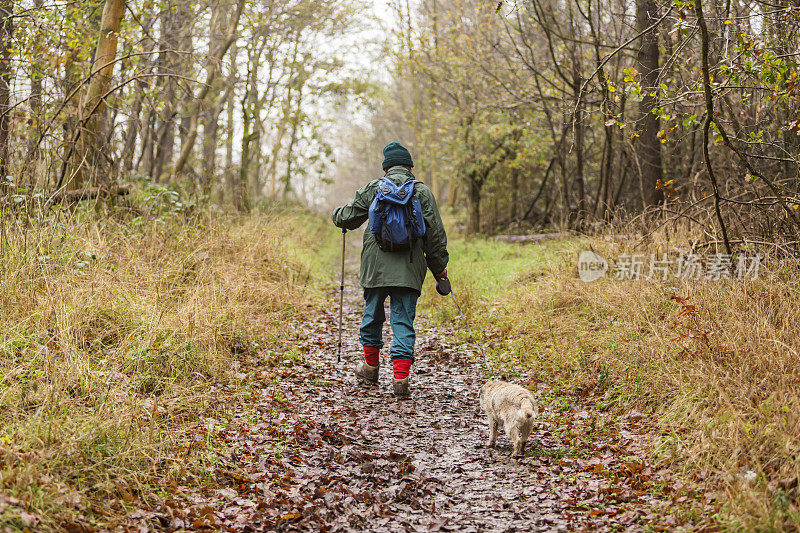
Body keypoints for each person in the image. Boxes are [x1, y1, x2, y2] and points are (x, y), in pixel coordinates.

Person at [331, 142, 449, 398]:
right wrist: (440, 271)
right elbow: (436, 237)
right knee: (403, 321)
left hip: (375, 267)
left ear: (386, 168)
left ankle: (370, 368)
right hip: (409, 267)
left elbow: (347, 218)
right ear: (410, 167)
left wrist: (336, 214)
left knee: (372, 315)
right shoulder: (422, 192)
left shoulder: (374, 189)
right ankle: (400, 380)